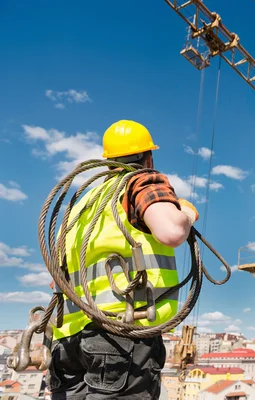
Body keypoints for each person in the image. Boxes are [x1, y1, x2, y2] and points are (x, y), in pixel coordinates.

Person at [46, 120, 198, 399]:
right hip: (119, 335)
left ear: (107, 162)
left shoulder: (83, 204)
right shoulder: (140, 181)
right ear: (148, 157)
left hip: (67, 343)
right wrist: (186, 212)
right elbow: (172, 231)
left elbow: (55, 277)